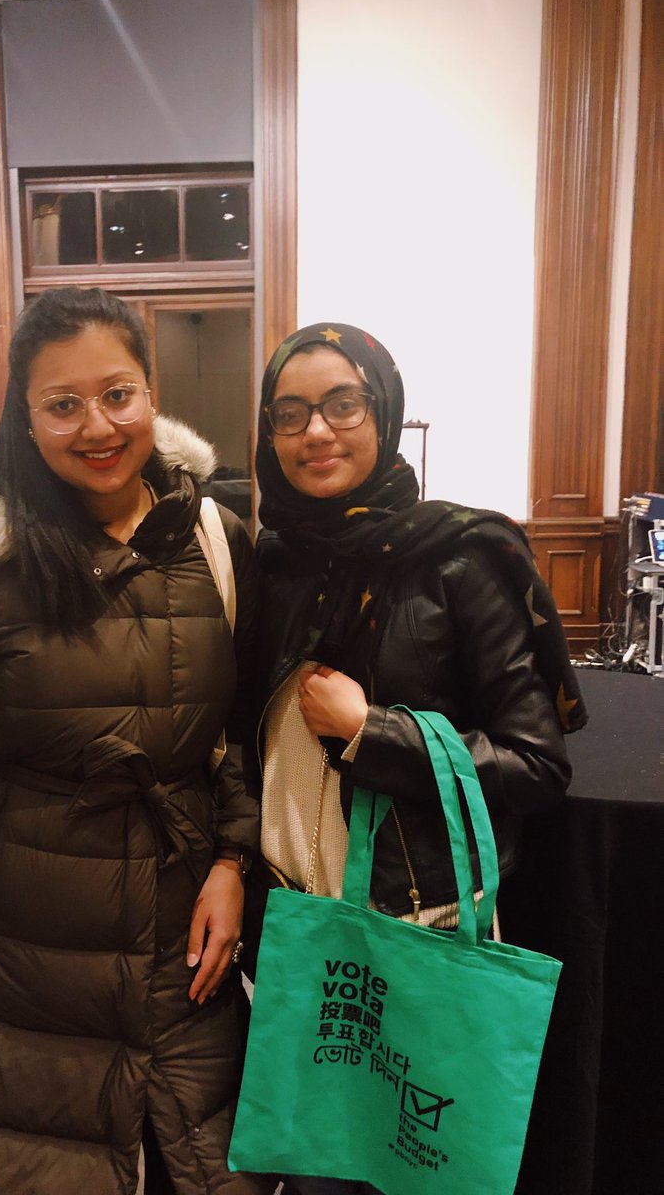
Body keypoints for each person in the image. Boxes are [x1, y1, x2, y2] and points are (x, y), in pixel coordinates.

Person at [0, 286, 270, 1195]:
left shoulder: (215, 539)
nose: (98, 426)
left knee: (204, 1165)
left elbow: (240, 731)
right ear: (25, 417)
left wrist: (232, 862)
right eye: (63, 404)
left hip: (180, 940)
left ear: (151, 393)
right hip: (23, 953)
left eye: (118, 394)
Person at [247, 323, 587, 1195]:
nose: (315, 431)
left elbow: (537, 764)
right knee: (316, 1168)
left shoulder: (462, 559)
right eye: (290, 412)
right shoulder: (274, 563)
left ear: (384, 410)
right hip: (297, 927)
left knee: (416, 1167)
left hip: (413, 926)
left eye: (342, 404)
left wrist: (376, 734)